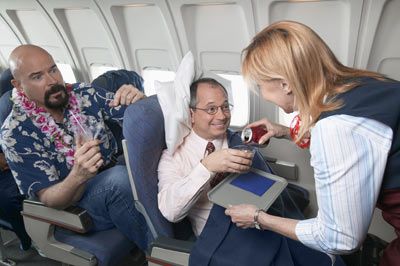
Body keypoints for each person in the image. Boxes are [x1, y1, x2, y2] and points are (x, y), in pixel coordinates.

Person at [225, 20, 400, 266]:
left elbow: (340, 238)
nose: (261, 93)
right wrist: (284, 131)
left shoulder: (336, 127)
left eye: (261, 85)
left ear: (285, 83)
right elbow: (361, 144)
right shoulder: (362, 84)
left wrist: (257, 218)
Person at [158, 77, 341, 265]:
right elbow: (170, 211)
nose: (221, 116)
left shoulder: (239, 140)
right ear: (192, 114)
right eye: (211, 109)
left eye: (225, 107)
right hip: (223, 236)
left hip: (262, 215)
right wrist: (206, 167)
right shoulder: (174, 157)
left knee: (310, 252)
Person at [0, 44, 151, 251]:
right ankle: (161, 253)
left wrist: (139, 102)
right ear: (18, 85)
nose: (53, 81)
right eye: (37, 77)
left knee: (146, 158)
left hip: (111, 170)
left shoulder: (83, 93)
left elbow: (136, 119)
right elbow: (49, 199)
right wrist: (78, 175)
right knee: (118, 180)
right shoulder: (15, 134)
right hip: (74, 206)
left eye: (53, 69)